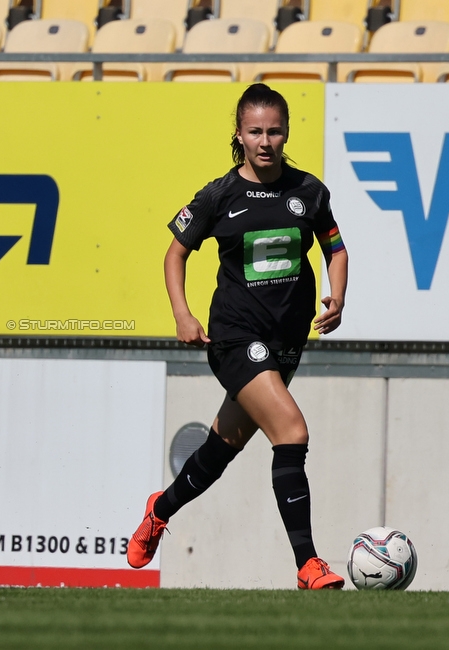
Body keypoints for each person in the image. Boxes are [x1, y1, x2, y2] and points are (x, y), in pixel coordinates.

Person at [127, 83, 349, 589]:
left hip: (286, 343)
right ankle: (308, 564)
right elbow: (174, 254)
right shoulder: (218, 195)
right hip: (235, 338)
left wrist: (338, 296)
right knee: (292, 432)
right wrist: (183, 315)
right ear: (240, 135)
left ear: (286, 133)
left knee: (222, 447)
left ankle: (159, 510)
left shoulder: (309, 192)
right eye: (255, 131)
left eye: (274, 130)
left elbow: (335, 248)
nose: (266, 140)